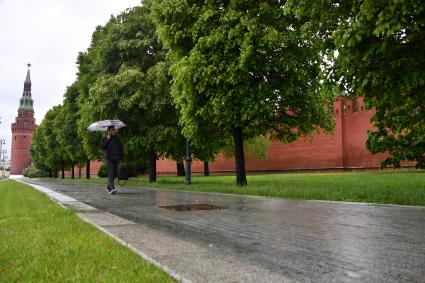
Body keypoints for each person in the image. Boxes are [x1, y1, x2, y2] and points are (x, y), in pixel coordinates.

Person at [99, 126, 124, 194]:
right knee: (111, 171)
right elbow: (102, 147)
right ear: (109, 131)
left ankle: (109, 187)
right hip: (108, 158)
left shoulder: (117, 139)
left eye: (114, 129)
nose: (115, 131)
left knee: (114, 174)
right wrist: (107, 139)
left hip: (116, 159)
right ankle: (112, 188)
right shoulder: (105, 138)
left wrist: (122, 159)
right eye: (113, 130)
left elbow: (121, 149)